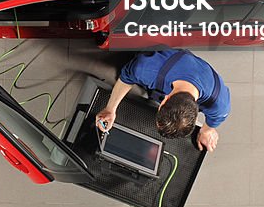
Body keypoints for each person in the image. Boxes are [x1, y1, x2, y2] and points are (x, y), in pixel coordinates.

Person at [95, 49, 230, 152]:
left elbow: (213, 121)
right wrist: (110, 109)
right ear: (164, 99)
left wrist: (206, 131)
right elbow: (126, 78)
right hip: (165, 58)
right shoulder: (146, 69)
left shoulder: (219, 104)